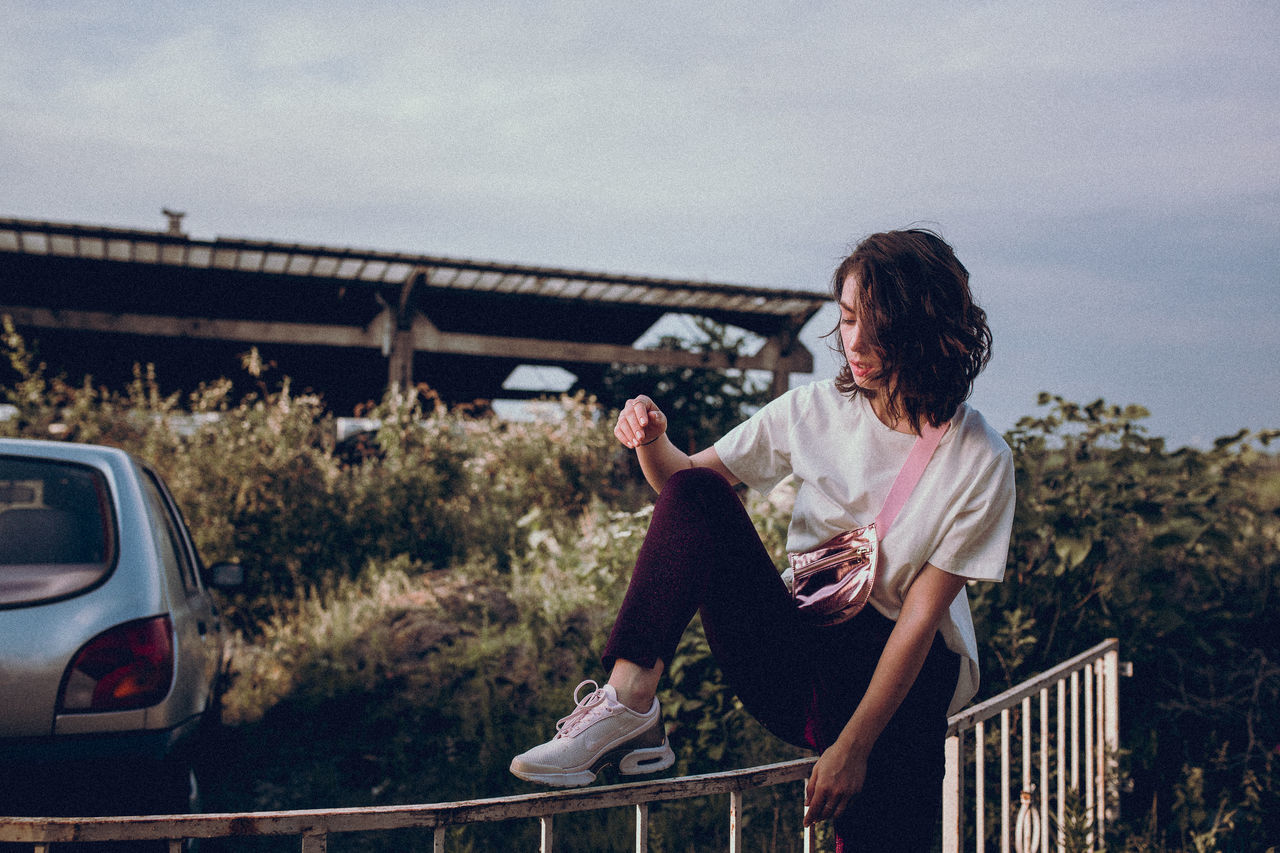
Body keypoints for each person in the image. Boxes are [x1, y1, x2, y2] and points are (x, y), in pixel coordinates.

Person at [510, 229, 1016, 851]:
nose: (853, 342)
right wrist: (650, 441)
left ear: (925, 330)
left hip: (900, 691)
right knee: (700, 490)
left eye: (876, 326)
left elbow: (918, 621)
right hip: (801, 649)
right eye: (848, 317)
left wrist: (853, 748)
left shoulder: (980, 459)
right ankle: (631, 705)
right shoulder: (813, 410)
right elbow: (684, 492)